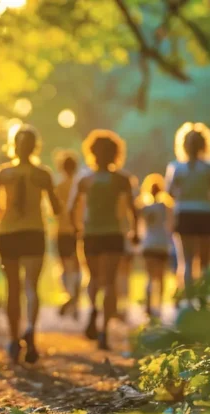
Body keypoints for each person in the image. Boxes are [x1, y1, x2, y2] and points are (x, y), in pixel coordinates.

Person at [0, 125, 61, 364]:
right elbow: (57, 208)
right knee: (31, 286)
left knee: (13, 288)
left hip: (8, 233)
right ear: (35, 147)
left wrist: (2, 213)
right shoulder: (43, 174)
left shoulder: (3, 173)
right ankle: (30, 331)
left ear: (13, 146)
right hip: (34, 232)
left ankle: (13, 338)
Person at [69, 129, 138, 350]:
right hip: (113, 234)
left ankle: (93, 309)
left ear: (92, 152)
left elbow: (72, 209)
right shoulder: (122, 179)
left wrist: (77, 228)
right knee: (110, 283)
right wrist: (134, 231)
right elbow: (132, 209)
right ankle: (104, 330)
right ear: (116, 153)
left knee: (93, 278)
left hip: (91, 234)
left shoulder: (85, 179)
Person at [166, 122, 210, 307]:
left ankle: (189, 300)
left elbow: (170, 193)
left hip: (184, 214)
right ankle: (203, 298)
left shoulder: (176, 168)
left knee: (186, 260)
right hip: (204, 213)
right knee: (204, 261)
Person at [137, 173, 173, 318]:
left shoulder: (143, 208)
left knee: (150, 276)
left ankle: (148, 305)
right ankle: (159, 305)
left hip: (148, 244)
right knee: (161, 277)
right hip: (162, 244)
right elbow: (171, 225)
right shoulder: (166, 207)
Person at [52, 151, 82, 319]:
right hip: (78, 230)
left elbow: (54, 210)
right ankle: (75, 302)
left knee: (64, 267)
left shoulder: (59, 186)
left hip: (62, 231)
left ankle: (69, 296)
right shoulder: (80, 185)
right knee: (77, 267)